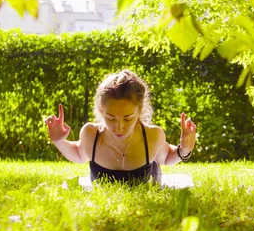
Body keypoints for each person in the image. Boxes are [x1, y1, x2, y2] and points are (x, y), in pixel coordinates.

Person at [44, 69, 197, 185]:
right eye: (111, 118)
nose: (119, 127)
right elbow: (78, 155)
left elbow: (167, 157)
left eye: (128, 118)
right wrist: (58, 141)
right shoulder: (91, 133)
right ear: (101, 111)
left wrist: (184, 149)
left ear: (139, 112)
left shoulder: (152, 135)